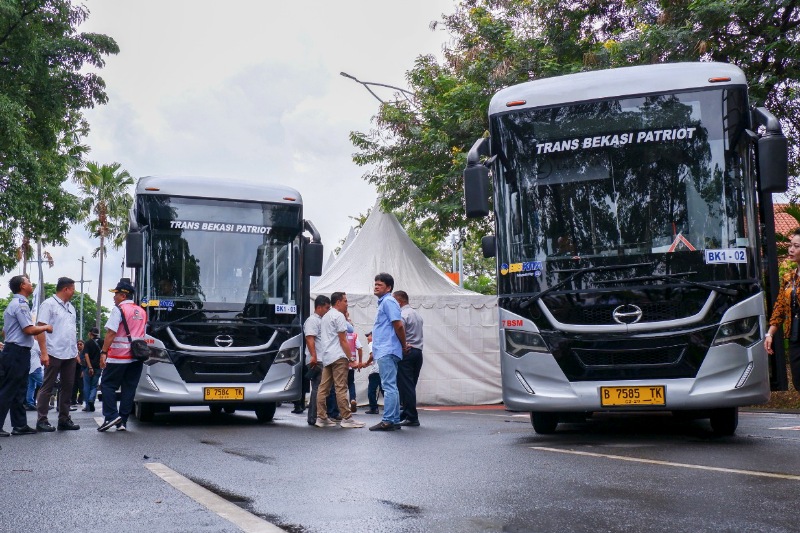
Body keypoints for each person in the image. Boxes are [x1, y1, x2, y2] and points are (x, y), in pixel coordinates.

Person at [0, 275, 53, 437]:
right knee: (8, 390)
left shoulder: (15, 304)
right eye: (28, 282)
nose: (31, 284)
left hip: (17, 351)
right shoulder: (21, 304)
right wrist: (46, 327)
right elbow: (28, 330)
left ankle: (20, 425)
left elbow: (5, 331)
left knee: (19, 390)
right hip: (16, 352)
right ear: (22, 286)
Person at [97, 280, 147, 432]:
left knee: (107, 384)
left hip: (118, 357)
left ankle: (111, 415)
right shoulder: (141, 311)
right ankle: (122, 422)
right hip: (137, 357)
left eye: (116, 294)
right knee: (129, 388)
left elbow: (111, 333)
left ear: (124, 295)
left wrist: (103, 352)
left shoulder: (119, 310)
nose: (114, 297)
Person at [35, 277, 80, 432]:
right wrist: (44, 352)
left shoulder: (71, 307)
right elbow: (40, 329)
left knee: (67, 387)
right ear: (66, 289)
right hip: (53, 352)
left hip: (70, 353)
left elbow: (71, 331)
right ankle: (42, 420)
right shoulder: (49, 304)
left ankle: (64, 419)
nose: (74, 292)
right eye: (73, 289)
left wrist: (75, 352)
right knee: (47, 386)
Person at [314, 292, 364, 428]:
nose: (347, 304)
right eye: (345, 301)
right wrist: (351, 358)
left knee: (323, 388)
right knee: (341, 387)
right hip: (339, 356)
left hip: (327, 356)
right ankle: (347, 418)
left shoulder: (325, 316)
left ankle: (321, 417)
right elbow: (343, 340)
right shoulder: (339, 316)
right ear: (338, 302)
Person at [369, 273, 406, 432]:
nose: (376, 286)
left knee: (388, 386)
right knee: (392, 386)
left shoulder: (388, 301)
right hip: (388, 349)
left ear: (389, 288)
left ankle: (388, 420)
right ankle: (394, 419)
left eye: (380, 284)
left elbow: (398, 325)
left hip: (387, 349)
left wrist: (404, 344)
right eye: (375, 284)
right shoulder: (386, 302)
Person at [766, 227, 800, 391]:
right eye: (790, 245)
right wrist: (770, 333)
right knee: (798, 380)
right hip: (795, 337)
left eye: (796, 246)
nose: (791, 249)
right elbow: (779, 307)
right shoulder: (789, 278)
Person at [394, 290, 424, 427]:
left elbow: (400, 329)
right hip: (418, 351)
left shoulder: (402, 314)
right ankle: (407, 412)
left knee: (406, 386)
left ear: (399, 301)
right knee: (410, 385)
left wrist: (403, 344)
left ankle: (411, 416)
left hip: (407, 351)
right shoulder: (417, 314)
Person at [304, 295, 330, 426]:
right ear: (319, 307)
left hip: (320, 358)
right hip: (316, 359)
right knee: (319, 388)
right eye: (326, 308)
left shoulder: (320, 320)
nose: (328, 310)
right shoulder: (312, 320)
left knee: (320, 388)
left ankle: (317, 416)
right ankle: (314, 417)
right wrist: (313, 356)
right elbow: (310, 338)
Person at [344, 310, 363, 413]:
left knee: (341, 385)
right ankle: (353, 399)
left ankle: (342, 405)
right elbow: (359, 348)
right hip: (351, 364)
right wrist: (359, 362)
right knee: (351, 382)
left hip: (341, 363)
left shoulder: (339, 333)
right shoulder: (354, 335)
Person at [81, 327, 102, 412]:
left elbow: (86, 355)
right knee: (94, 386)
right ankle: (91, 400)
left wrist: (90, 367)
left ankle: (87, 405)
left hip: (88, 367)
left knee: (86, 386)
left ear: (90, 333)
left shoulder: (88, 343)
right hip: (98, 367)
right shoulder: (102, 342)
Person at [363, 331, 381, 415]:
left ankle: (374, 408)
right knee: (384, 389)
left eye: (369, 336)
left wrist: (367, 363)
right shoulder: (381, 344)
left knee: (371, 390)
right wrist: (370, 363)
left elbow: (372, 355)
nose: (367, 338)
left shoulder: (371, 344)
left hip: (375, 371)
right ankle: (392, 407)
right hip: (382, 368)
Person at [24, 341, 44, 411]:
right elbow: (41, 353)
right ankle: (44, 403)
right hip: (36, 367)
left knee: (31, 386)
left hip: (29, 367)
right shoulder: (35, 343)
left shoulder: (26, 342)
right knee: (45, 385)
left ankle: (30, 403)